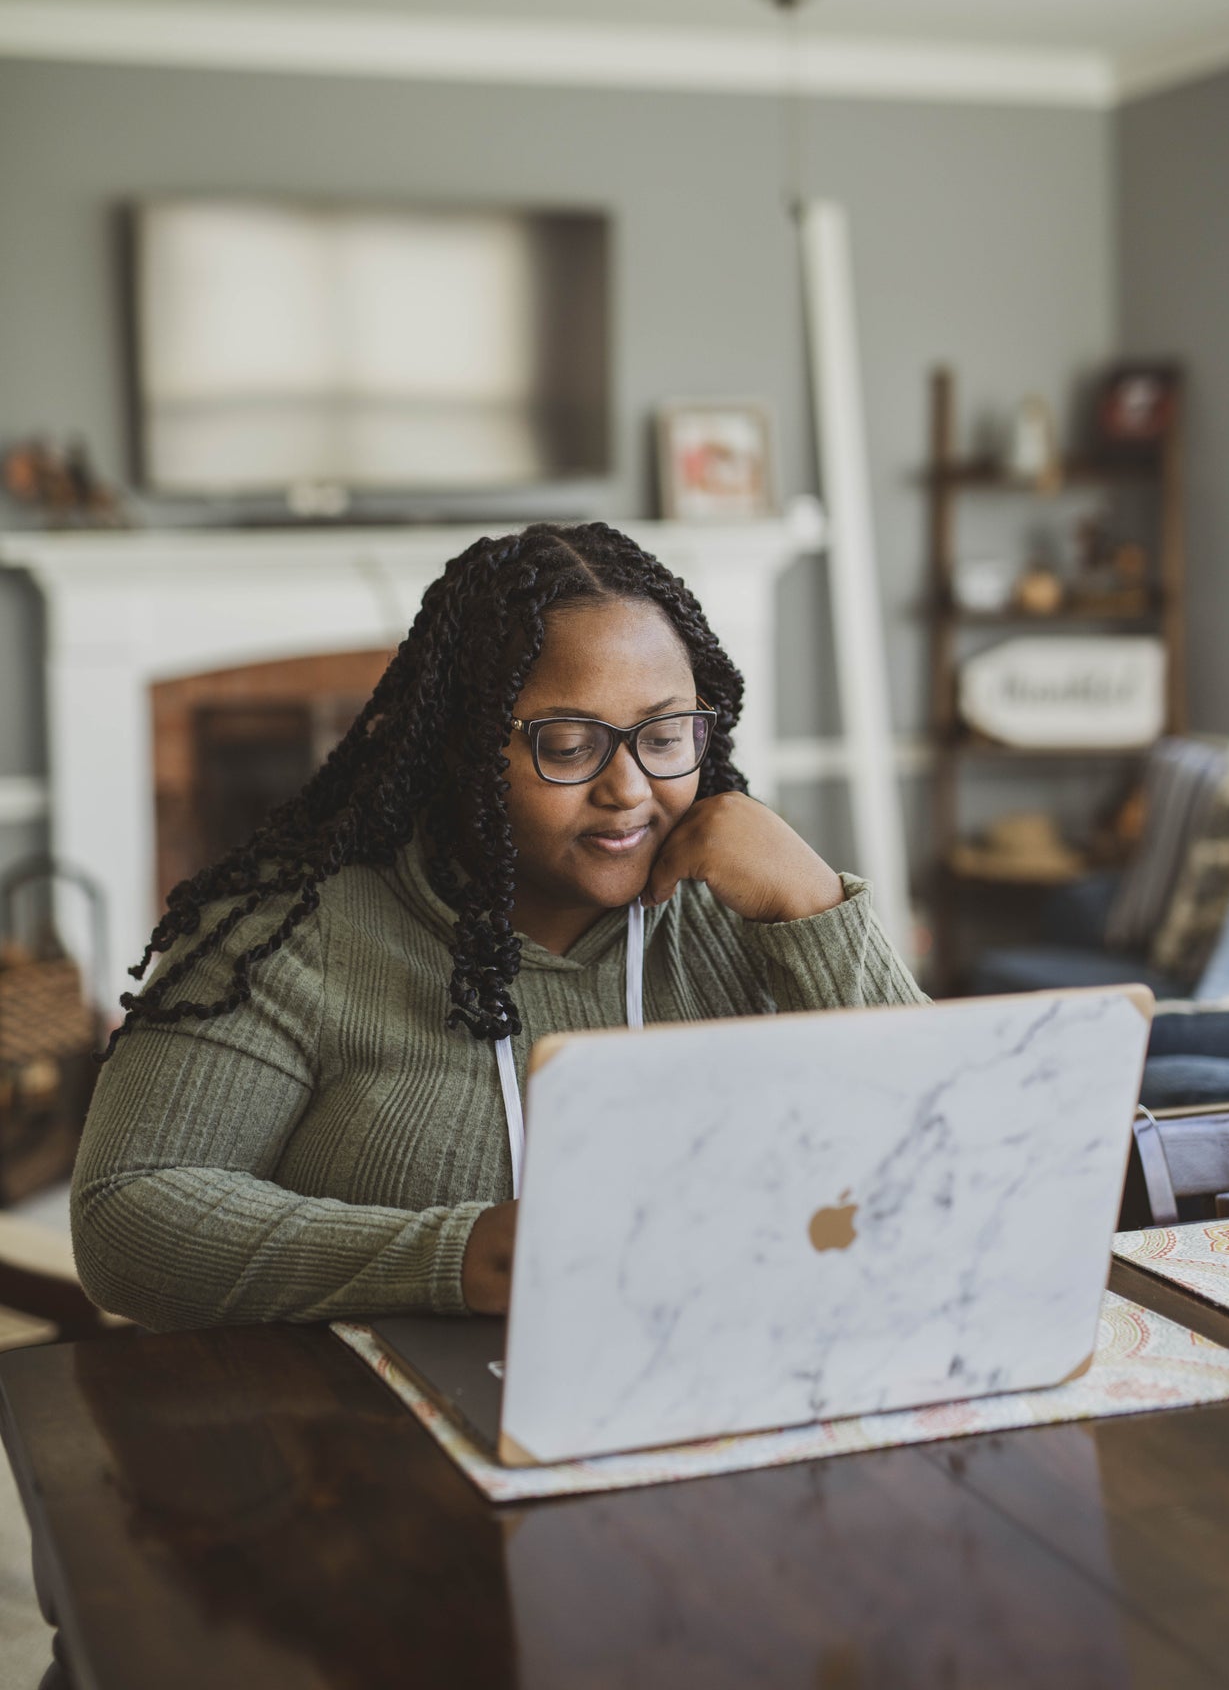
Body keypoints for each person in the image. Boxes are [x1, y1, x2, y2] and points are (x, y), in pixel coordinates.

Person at [71, 522, 924, 1330]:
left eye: (664, 734)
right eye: (567, 743)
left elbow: (955, 1159)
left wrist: (814, 912)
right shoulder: (286, 928)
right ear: (465, 749)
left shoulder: (753, 905)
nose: (629, 789)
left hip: (716, 1391)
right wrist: (456, 1256)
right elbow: (129, 1213)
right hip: (368, 1439)